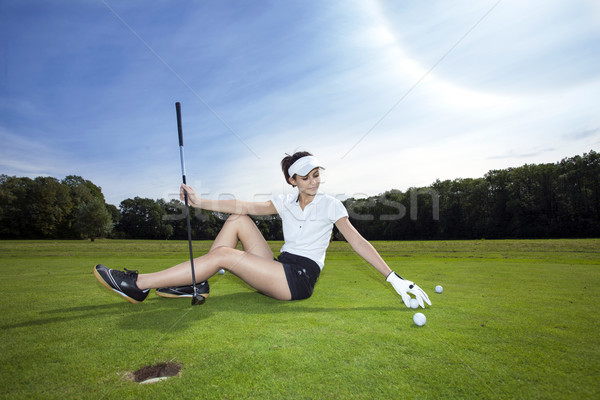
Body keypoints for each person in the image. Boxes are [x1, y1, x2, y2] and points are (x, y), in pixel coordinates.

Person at [94, 151, 431, 308]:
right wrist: (199, 203)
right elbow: (242, 206)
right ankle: (194, 283)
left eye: (317, 173)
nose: (315, 180)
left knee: (225, 254)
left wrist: (394, 278)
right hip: (278, 266)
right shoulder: (284, 201)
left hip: (298, 279)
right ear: (292, 180)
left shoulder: (331, 205)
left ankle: (139, 285)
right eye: (307, 175)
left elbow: (358, 242)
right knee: (237, 220)